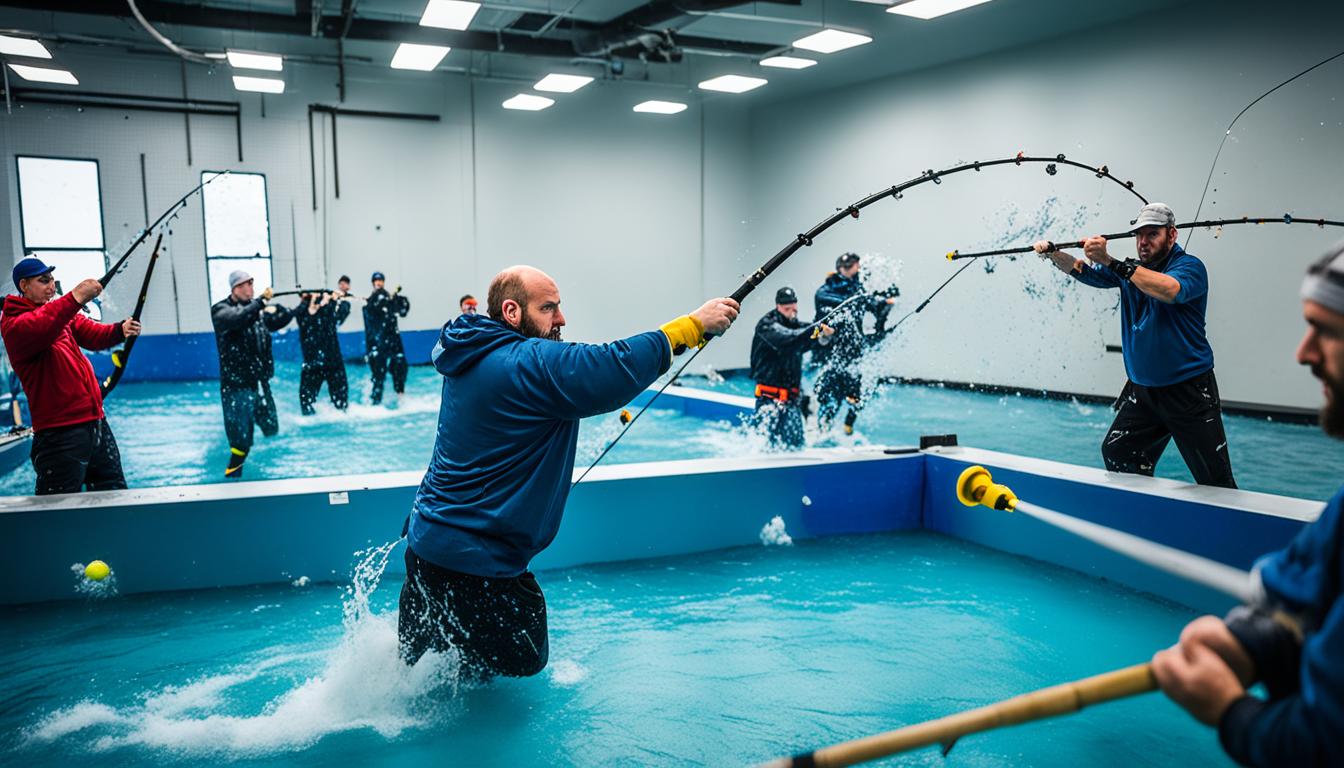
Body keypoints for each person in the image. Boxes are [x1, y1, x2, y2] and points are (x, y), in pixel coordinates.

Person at [398, 265, 739, 678]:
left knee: (421, 673)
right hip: (477, 565)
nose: (561, 319)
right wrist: (693, 325)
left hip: (426, 547)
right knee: (523, 660)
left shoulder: (471, 355)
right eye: (549, 308)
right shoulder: (520, 363)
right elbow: (608, 367)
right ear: (511, 311)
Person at [1150, 242, 1344, 767]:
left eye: (1326, 330)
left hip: (1186, 386)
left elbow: (1323, 746)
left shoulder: (1186, 269)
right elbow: (1303, 590)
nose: (1303, 353)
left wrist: (1230, 711)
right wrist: (1253, 641)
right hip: (1149, 388)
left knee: (1216, 478)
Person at [1034, 203, 1236, 488]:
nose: (1143, 242)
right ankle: (1147, 516)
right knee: (1119, 453)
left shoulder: (1190, 267)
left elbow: (1169, 290)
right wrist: (1053, 254)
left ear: (1172, 235)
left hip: (1188, 392)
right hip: (1143, 392)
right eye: (1139, 235)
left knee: (1215, 479)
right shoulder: (1131, 269)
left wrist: (1111, 261)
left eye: (1152, 234)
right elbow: (1082, 270)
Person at [0, 255, 141, 494]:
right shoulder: (17, 326)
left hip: (95, 424)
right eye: (44, 280)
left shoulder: (58, 316)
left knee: (115, 498)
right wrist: (76, 296)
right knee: (57, 512)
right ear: (24, 286)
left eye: (53, 280)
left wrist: (119, 330)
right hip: (59, 435)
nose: (52, 286)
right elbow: (45, 323)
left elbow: (92, 333)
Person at [210, 270, 294, 478]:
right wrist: (260, 303)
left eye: (251, 284)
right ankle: (233, 477)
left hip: (259, 383)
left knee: (271, 426)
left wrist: (301, 307)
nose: (250, 289)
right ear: (235, 289)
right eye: (245, 285)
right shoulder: (221, 310)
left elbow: (278, 321)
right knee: (241, 441)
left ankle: (268, 472)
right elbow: (237, 319)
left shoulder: (256, 311)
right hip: (236, 387)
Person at [813, 252, 898, 435]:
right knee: (831, 397)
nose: (856, 268)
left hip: (855, 352)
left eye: (856, 265)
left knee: (856, 396)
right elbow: (836, 309)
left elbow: (875, 307)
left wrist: (886, 303)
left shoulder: (860, 288)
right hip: (831, 353)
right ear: (841, 269)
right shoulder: (826, 291)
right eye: (852, 266)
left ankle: (847, 428)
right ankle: (823, 428)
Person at [750, 286, 833, 449]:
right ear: (778, 306)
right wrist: (817, 329)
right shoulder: (767, 326)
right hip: (769, 401)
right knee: (766, 449)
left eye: (793, 307)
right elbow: (791, 339)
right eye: (786, 308)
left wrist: (825, 335)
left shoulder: (796, 326)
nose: (791, 312)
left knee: (797, 447)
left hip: (792, 401)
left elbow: (808, 339)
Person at [294, 290, 350, 414]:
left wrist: (337, 299)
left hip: (333, 362)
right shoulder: (301, 312)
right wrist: (314, 301)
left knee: (341, 404)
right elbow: (308, 314)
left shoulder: (327, 309)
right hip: (312, 364)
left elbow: (343, 311)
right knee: (306, 403)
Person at [363, 271, 410, 405]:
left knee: (400, 366)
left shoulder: (390, 299)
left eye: (380, 280)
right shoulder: (371, 301)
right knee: (378, 373)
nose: (378, 282)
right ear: (373, 283)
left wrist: (399, 300)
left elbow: (403, 311)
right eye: (376, 280)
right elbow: (371, 314)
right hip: (378, 343)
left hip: (393, 340)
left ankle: (401, 397)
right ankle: (375, 402)